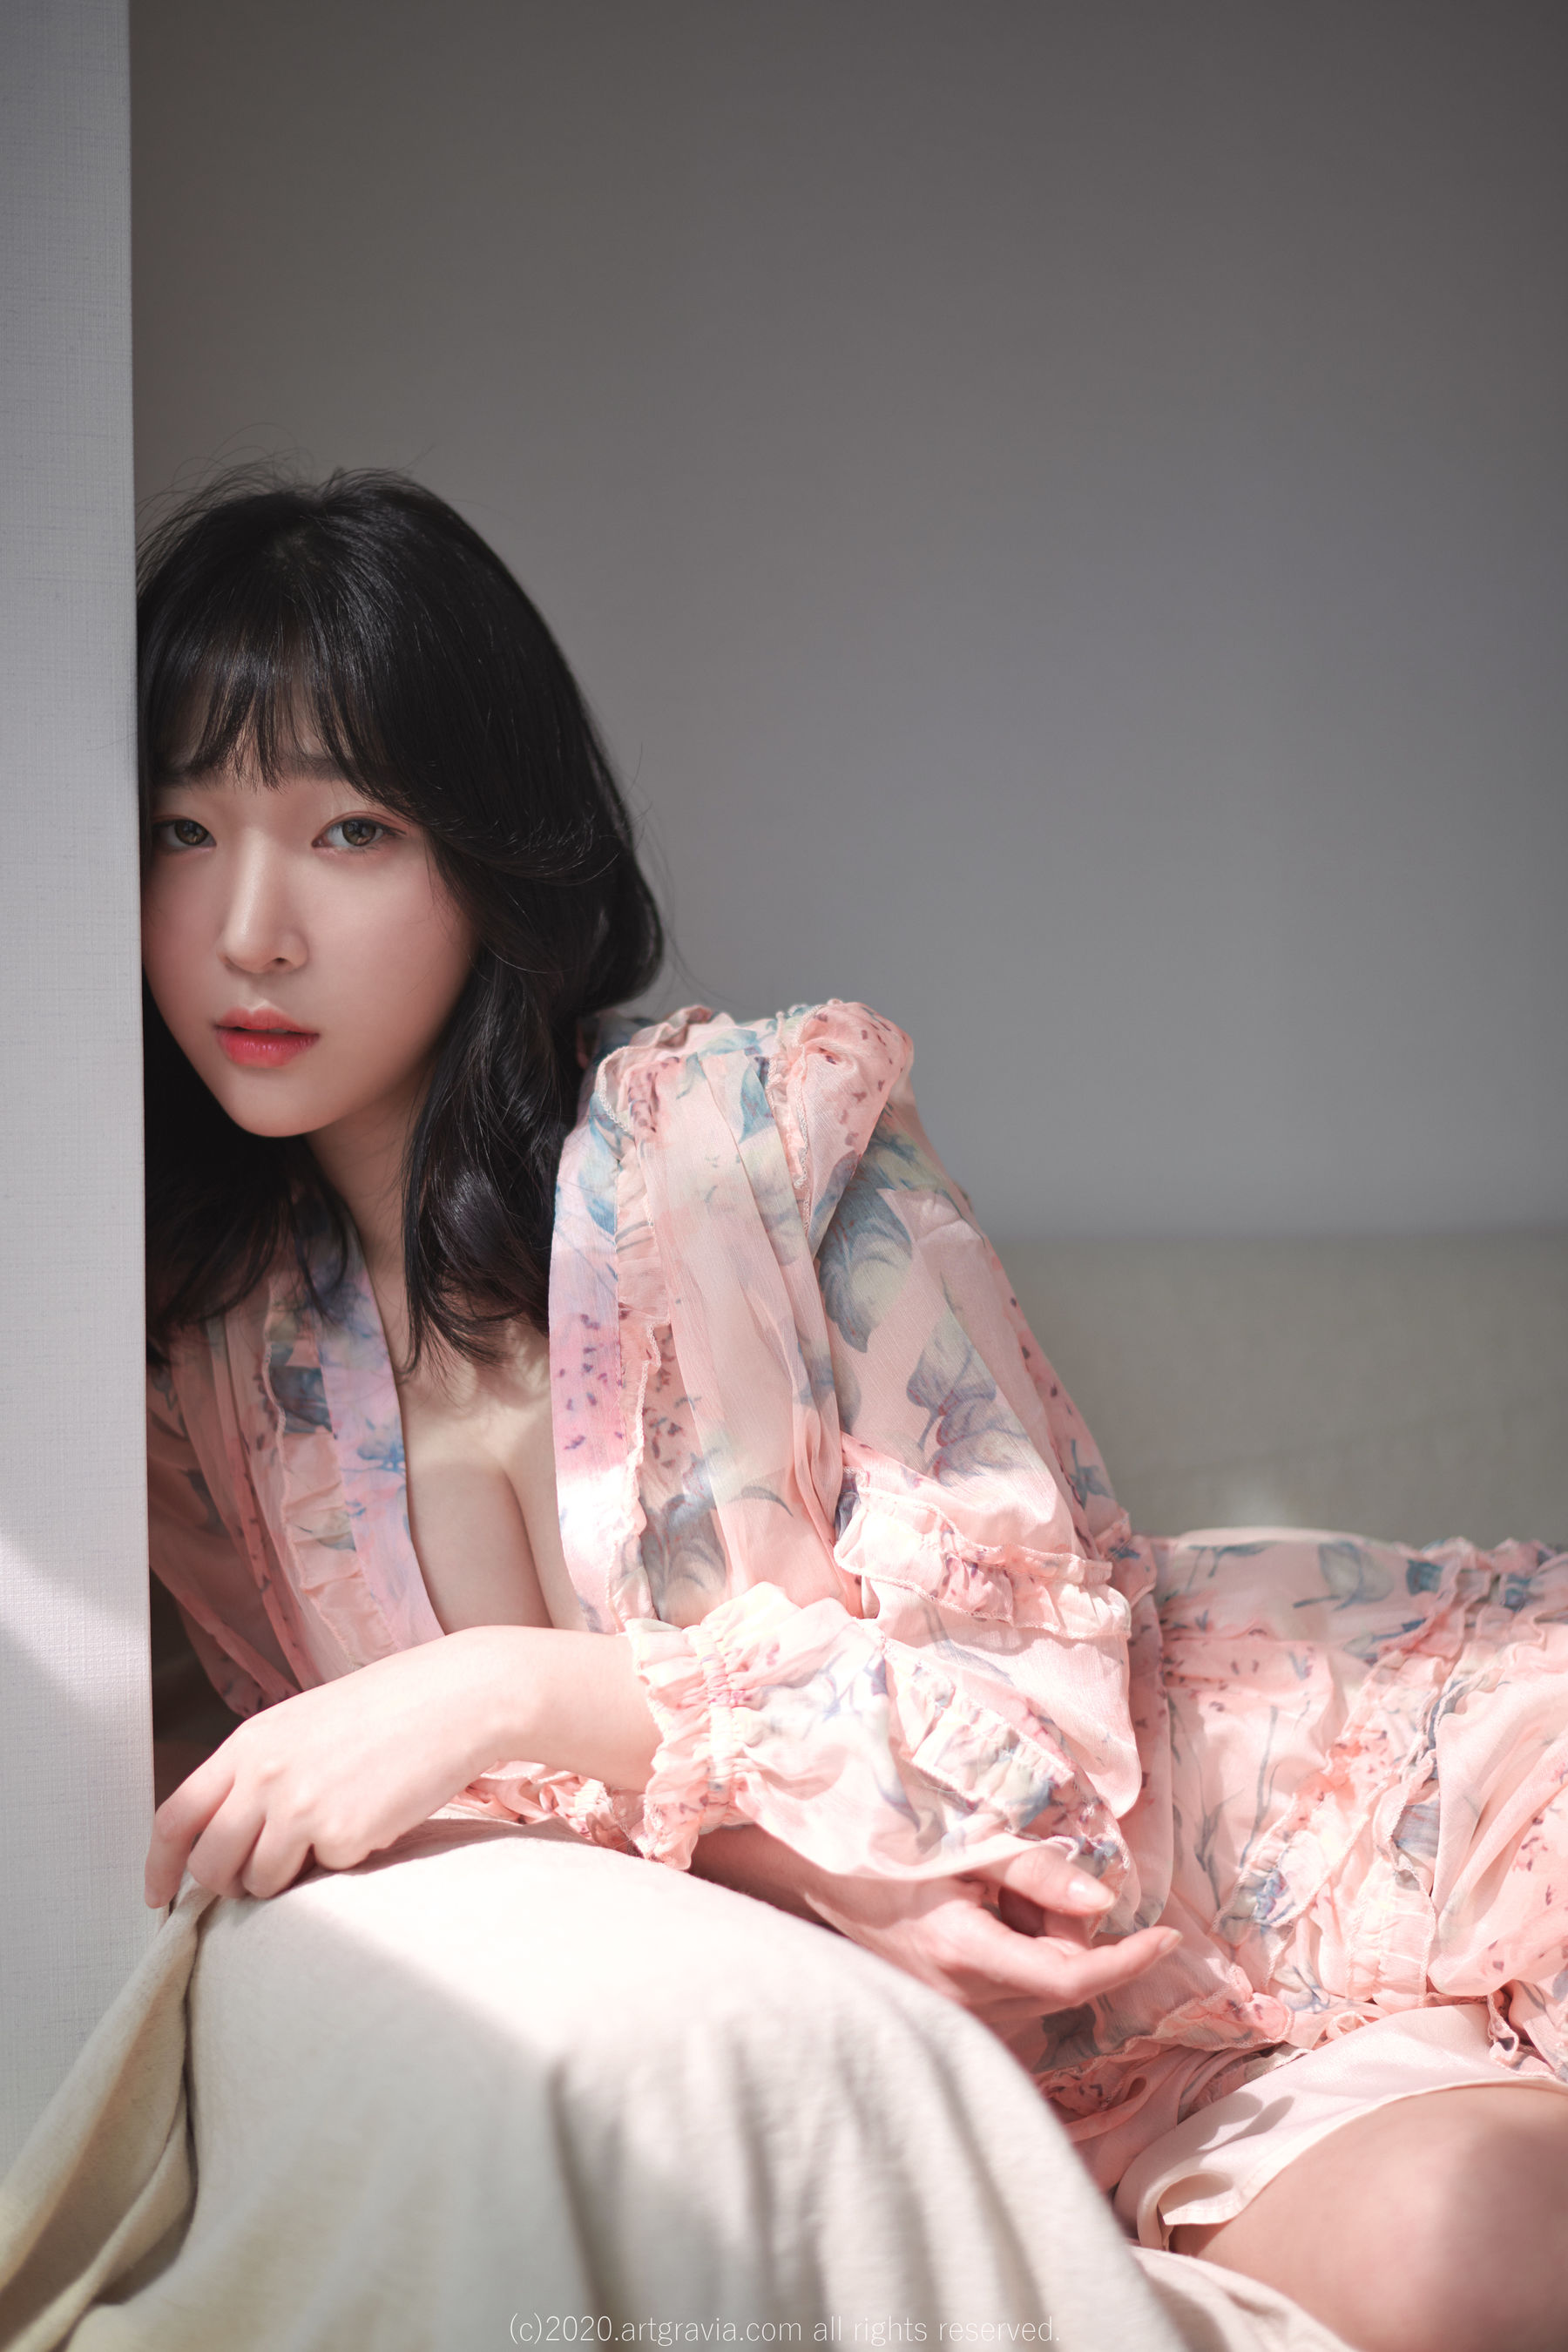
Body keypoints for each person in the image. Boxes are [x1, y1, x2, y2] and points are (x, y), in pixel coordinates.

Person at [139, 469, 1568, 2352]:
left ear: (490, 855)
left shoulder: (747, 1141)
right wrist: (789, 1856)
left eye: (349, 830)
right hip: (1083, 2072)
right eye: (181, 831)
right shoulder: (205, 1366)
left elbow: (1028, 1750)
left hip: (1365, 1810)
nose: (247, 930)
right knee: (1458, 2264)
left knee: (1493, 2249)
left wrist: (509, 1688)